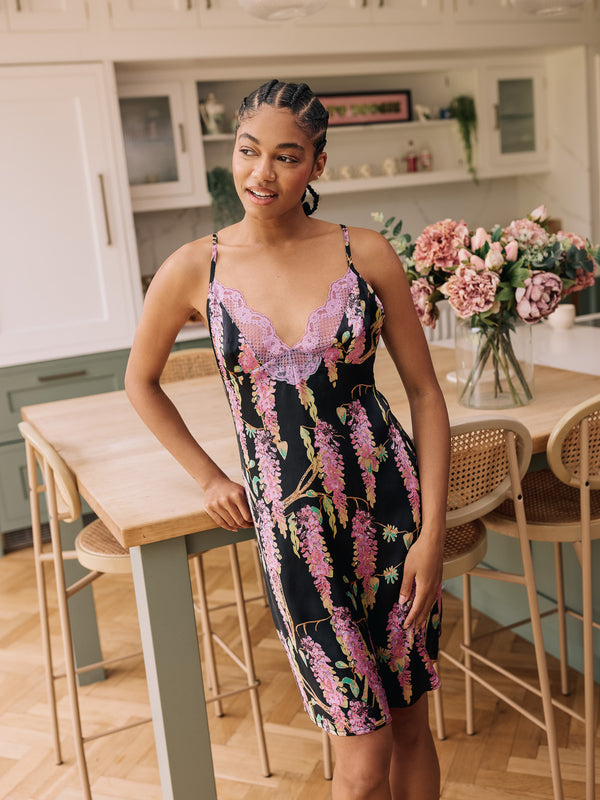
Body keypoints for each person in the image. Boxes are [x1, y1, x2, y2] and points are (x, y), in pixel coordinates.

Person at [125, 79, 450, 800]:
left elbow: (426, 395)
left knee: (410, 727)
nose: (261, 173)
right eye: (248, 151)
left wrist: (432, 534)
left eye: (286, 156)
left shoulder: (365, 253)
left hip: (393, 515)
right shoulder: (194, 267)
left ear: (318, 164)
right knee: (361, 761)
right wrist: (209, 478)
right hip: (294, 534)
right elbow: (140, 381)